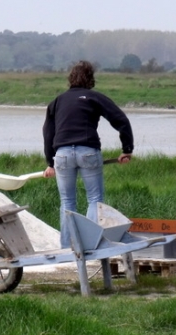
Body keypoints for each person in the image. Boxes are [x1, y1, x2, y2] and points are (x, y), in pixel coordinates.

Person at [42, 60, 134, 248]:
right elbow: (121, 120)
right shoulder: (94, 98)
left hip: (62, 155)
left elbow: (48, 133)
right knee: (94, 200)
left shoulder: (57, 101)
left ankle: (69, 247)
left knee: (67, 201)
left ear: (70, 79)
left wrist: (50, 163)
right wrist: (127, 149)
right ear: (91, 79)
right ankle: (92, 245)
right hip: (88, 152)